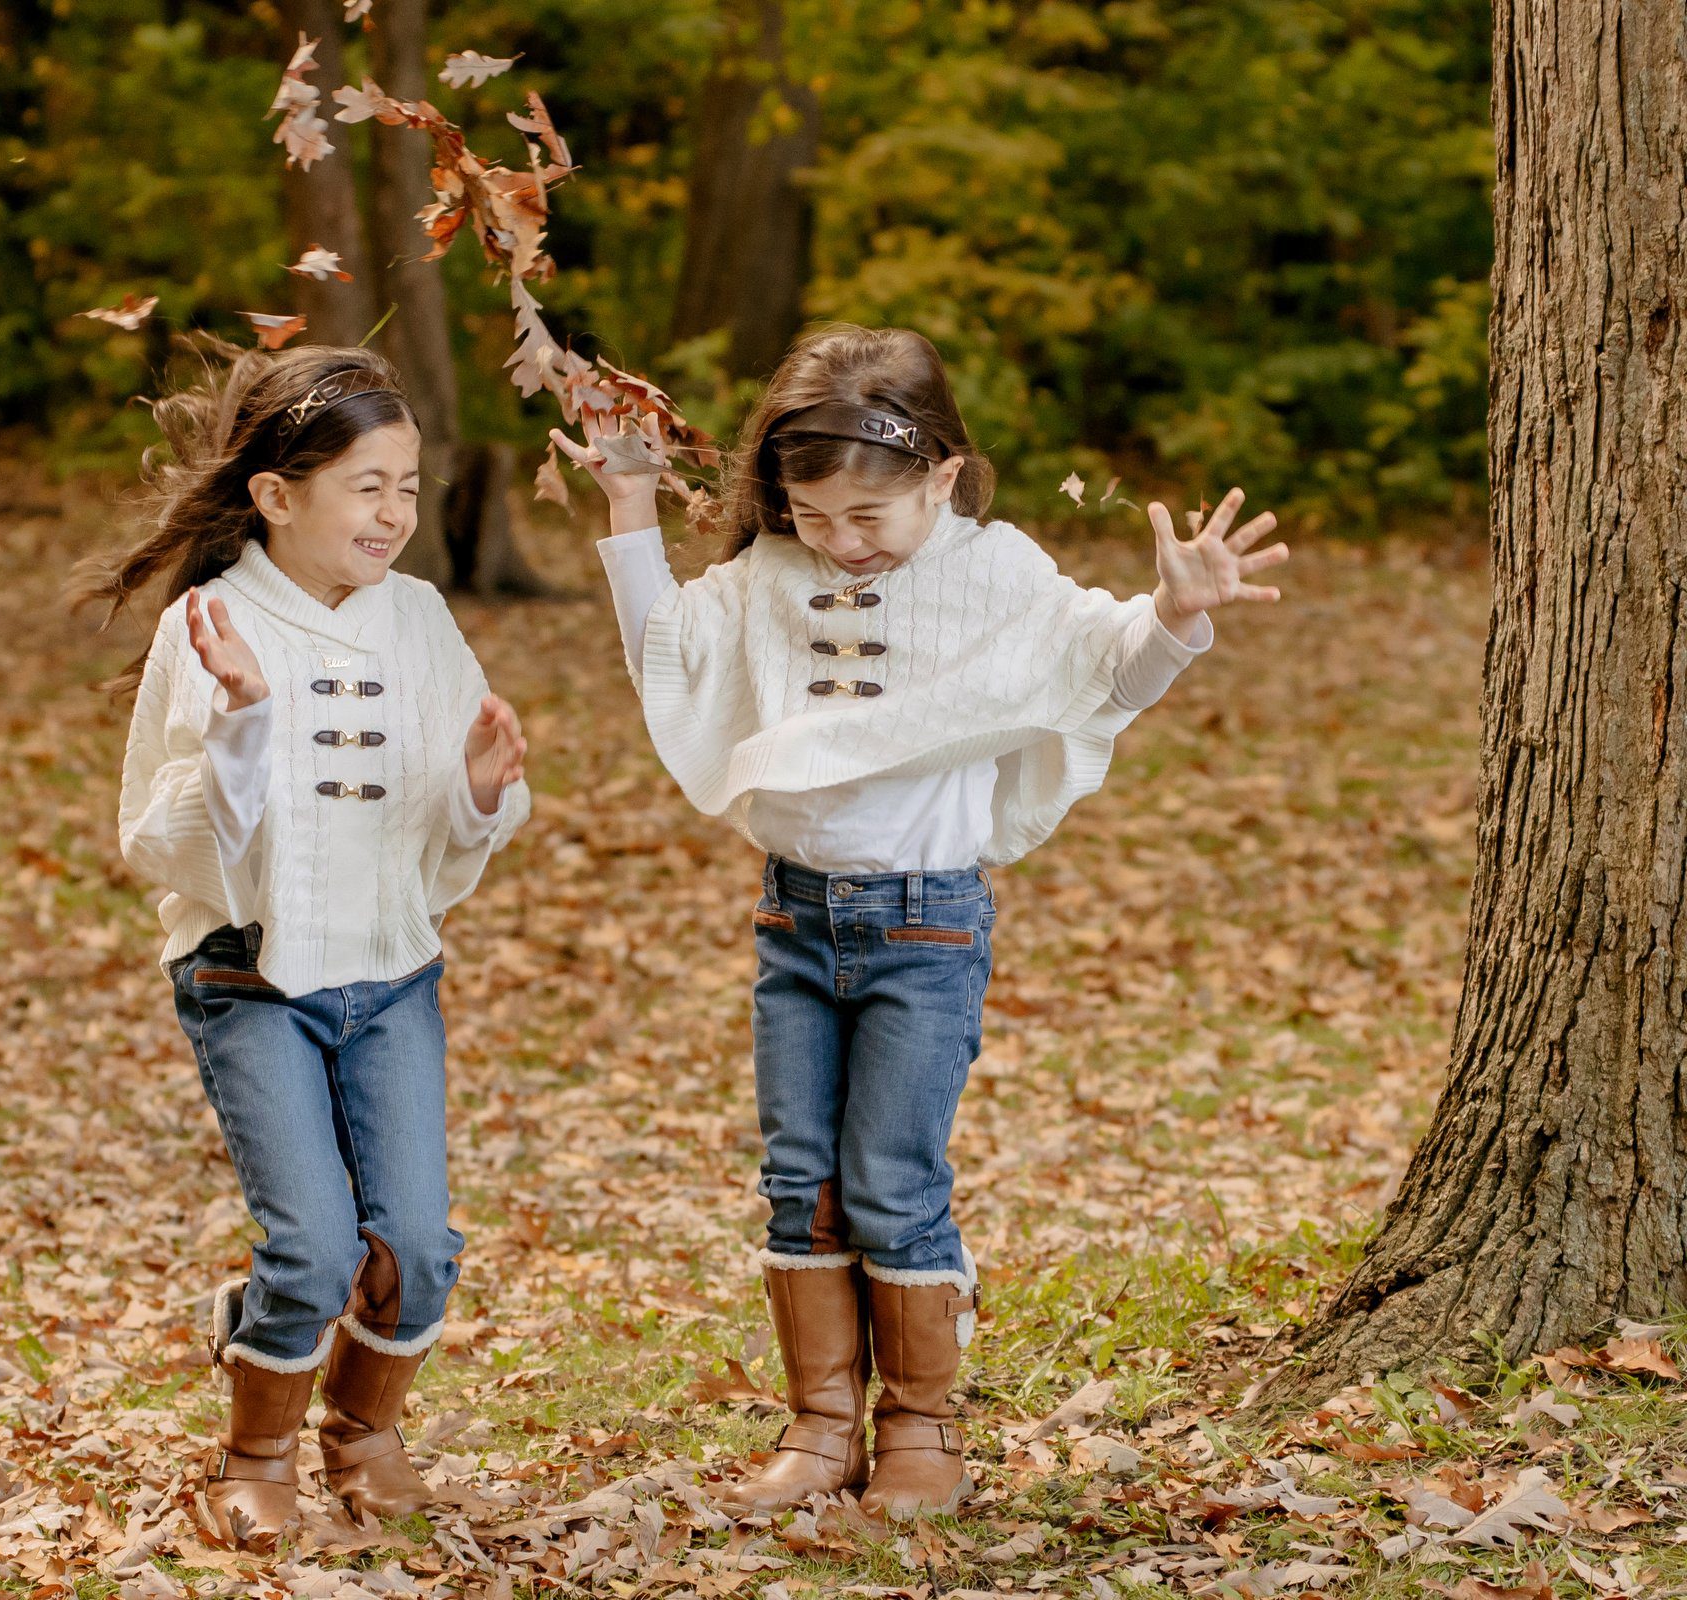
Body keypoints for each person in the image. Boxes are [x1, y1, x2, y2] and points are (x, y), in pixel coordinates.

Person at [553, 324, 1285, 1518]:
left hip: (926, 928)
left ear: (939, 478)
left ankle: (922, 1428)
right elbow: (668, 654)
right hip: (793, 925)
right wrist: (630, 500)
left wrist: (1174, 616)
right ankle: (820, 1425)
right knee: (801, 1180)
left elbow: (1104, 671)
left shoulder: (993, 572)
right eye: (811, 514)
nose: (838, 544)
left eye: (868, 519)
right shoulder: (776, 573)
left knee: (892, 1175)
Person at [89, 344, 529, 1547]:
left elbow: (446, 829)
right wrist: (238, 723)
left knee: (421, 1243)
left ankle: (362, 1426)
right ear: (278, 496)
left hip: (389, 974)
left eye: (407, 485)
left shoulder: (422, 620)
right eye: (365, 486)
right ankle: (255, 1447)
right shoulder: (211, 620)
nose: (393, 512)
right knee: (316, 1244)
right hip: (251, 973)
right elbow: (170, 836)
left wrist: (481, 788)